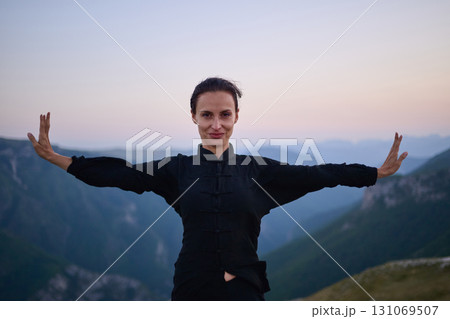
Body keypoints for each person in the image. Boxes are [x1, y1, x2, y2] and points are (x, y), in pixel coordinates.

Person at [27, 77, 408, 301]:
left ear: (236, 117)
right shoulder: (174, 170)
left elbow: (320, 174)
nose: (216, 123)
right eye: (206, 114)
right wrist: (61, 160)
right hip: (191, 288)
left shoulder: (261, 172)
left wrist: (374, 172)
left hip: (245, 289)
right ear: (193, 116)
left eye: (225, 114)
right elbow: (120, 173)